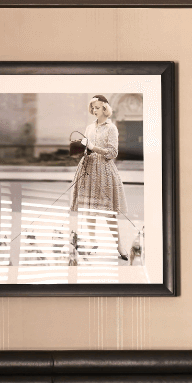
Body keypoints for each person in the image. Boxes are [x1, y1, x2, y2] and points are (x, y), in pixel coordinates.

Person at [68, 94, 133, 261]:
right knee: (89, 209)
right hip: (88, 168)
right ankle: (92, 242)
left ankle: (119, 246)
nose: (94, 110)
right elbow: (87, 149)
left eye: (97, 107)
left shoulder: (111, 128)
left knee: (109, 212)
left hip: (104, 171)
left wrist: (94, 147)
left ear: (105, 108)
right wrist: (82, 149)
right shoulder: (89, 128)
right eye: (93, 108)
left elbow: (112, 153)